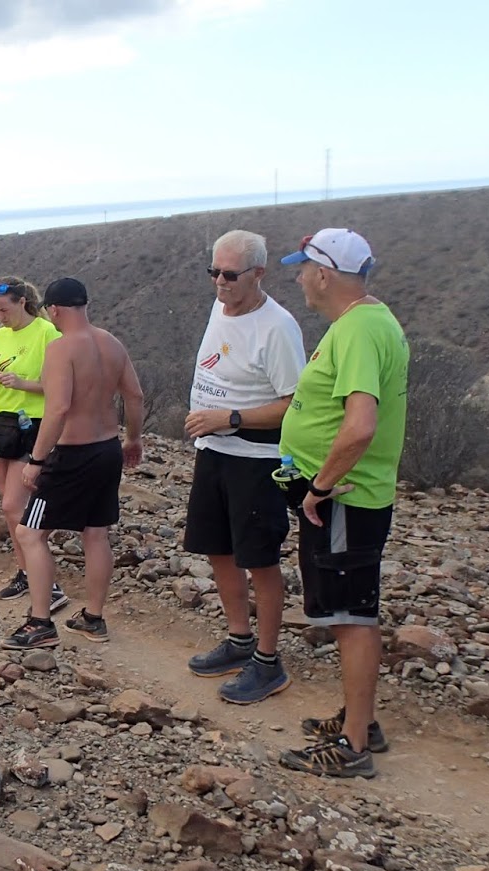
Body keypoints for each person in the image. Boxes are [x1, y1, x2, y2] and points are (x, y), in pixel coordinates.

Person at [274, 228, 407, 779]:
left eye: (303, 269)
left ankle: (353, 747)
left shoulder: (356, 330)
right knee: (350, 612)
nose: (300, 279)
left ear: (324, 274)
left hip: (346, 499)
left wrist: (321, 487)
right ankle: (361, 720)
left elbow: (359, 426)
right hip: (354, 496)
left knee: (351, 618)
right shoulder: (371, 321)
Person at [182, 230, 307, 704]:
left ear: (258, 273)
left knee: (259, 559)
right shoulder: (220, 307)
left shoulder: (277, 327)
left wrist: (230, 418)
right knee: (218, 549)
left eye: (230, 274)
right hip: (213, 452)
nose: (220, 282)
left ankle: (268, 661)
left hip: (257, 461)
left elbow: (295, 405)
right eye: (213, 272)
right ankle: (239, 639)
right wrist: (213, 424)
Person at [6, 277, 144, 649]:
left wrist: (36, 460)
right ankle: (93, 618)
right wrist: (133, 438)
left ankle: (40, 623)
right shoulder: (111, 342)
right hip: (107, 449)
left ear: (53, 310)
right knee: (95, 533)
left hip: (71, 455)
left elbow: (58, 408)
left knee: (29, 533)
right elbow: (134, 395)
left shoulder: (61, 348)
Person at [0, 277, 69, 612]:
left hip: (32, 424)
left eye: (4, 310)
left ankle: (49, 584)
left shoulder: (47, 333)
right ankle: (26, 572)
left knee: (14, 504)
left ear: (22, 302)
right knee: (9, 505)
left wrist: (22, 383)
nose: (0, 317)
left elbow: (59, 386)